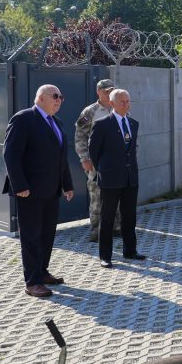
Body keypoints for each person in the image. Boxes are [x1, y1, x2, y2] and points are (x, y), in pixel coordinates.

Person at [2, 84, 74, 298]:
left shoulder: (56, 121)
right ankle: (32, 282)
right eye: (55, 96)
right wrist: (20, 185)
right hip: (30, 191)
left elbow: (61, 157)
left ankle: (42, 272)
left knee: (46, 235)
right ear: (40, 97)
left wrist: (67, 184)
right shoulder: (23, 119)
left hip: (51, 190)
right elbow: (11, 155)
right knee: (31, 237)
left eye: (61, 96)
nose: (59, 100)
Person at [88, 89, 145, 268]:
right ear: (112, 104)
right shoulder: (102, 124)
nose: (126, 105)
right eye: (122, 102)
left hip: (130, 177)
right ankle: (105, 255)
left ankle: (130, 251)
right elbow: (93, 152)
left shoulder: (133, 123)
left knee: (129, 216)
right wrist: (104, 171)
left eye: (128, 101)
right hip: (111, 178)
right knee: (108, 217)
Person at [75, 78, 121, 242]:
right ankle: (96, 231)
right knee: (96, 196)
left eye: (111, 90)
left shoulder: (119, 107)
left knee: (116, 194)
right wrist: (84, 159)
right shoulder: (90, 112)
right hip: (97, 162)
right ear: (98, 92)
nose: (108, 93)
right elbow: (79, 135)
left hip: (116, 162)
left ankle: (116, 228)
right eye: (105, 91)